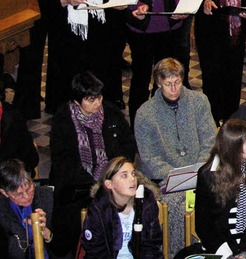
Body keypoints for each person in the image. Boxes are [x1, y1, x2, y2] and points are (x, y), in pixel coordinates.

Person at [135, 58, 217, 257]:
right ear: (158, 83)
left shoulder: (199, 101)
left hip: (200, 170)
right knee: (177, 205)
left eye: (177, 82)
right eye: (168, 84)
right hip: (165, 177)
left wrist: (199, 169)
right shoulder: (145, 113)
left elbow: (210, 140)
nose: (174, 88)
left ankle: (212, 248)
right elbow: (149, 157)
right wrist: (176, 176)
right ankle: (178, 252)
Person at [49, 71, 136, 256]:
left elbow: (128, 144)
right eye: (90, 99)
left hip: (112, 179)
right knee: (72, 222)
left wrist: (113, 175)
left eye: (99, 97)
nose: (97, 103)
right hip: (77, 186)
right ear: (77, 101)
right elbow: (63, 161)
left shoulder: (111, 113)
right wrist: (94, 184)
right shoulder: (63, 120)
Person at [195, 119, 246, 258]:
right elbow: (204, 224)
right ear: (235, 148)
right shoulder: (207, 175)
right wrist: (226, 255)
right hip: (220, 246)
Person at [82, 156, 163, 258]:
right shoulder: (99, 208)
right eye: (124, 176)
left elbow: (152, 247)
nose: (132, 179)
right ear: (109, 184)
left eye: (133, 174)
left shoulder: (147, 203)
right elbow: (95, 251)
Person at [0, 159, 54, 259]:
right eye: (18, 194)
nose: (26, 196)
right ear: (4, 193)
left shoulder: (48, 197)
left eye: (29, 188)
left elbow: (64, 248)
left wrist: (47, 234)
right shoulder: (2, 210)